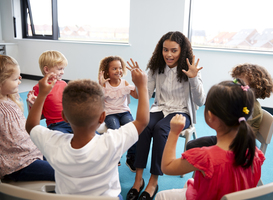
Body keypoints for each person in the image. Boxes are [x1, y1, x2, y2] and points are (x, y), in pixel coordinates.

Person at [25, 59, 149, 199]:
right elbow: (142, 121)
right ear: (102, 117)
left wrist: (42, 94)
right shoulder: (112, 142)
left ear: (64, 117)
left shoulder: (53, 143)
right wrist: (142, 86)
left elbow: (31, 126)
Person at [126, 31, 206, 200]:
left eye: (174, 50)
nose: (168, 54)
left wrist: (193, 79)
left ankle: (153, 181)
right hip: (159, 108)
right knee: (145, 126)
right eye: (165, 49)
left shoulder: (191, 68)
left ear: (181, 50)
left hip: (182, 111)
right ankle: (138, 180)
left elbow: (200, 100)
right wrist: (138, 84)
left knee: (162, 129)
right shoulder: (157, 67)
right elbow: (146, 95)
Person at [155, 79, 265, 200]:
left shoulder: (206, 158)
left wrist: (174, 132)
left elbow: (167, 167)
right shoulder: (255, 153)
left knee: (161, 196)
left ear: (211, 116)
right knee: (190, 182)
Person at [186, 63, 273, 150]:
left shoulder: (254, 108)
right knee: (192, 145)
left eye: (239, 83)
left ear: (255, 88)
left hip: (238, 145)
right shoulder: (237, 100)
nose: (235, 86)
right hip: (226, 137)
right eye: (235, 81)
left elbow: (240, 134)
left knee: (198, 149)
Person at [0, 55, 54, 181]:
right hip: (17, 165)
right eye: (15, 79)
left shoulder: (10, 99)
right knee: (63, 172)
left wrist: (32, 107)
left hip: (32, 153)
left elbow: (26, 127)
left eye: (19, 78)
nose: (19, 82)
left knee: (66, 162)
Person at [98, 56, 138, 171]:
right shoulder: (104, 84)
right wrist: (100, 84)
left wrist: (136, 83)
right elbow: (98, 99)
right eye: (114, 68)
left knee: (132, 130)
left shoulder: (124, 82)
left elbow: (136, 96)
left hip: (124, 112)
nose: (118, 71)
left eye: (120, 68)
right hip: (110, 113)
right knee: (115, 130)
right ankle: (115, 157)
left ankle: (131, 157)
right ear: (107, 72)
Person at [27, 50, 72, 133]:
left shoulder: (63, 84)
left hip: (72, 121)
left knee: (92, 135)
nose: (63, 72)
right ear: (47, 69)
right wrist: (32, 105)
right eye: (59, 69)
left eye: (63, 69)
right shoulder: (38, 88)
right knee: (63, 140)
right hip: (56, 125)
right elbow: (37, 115)